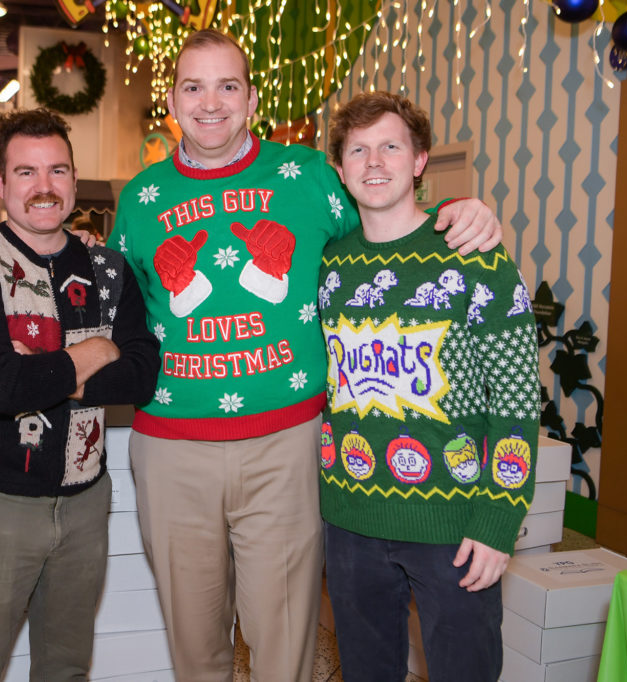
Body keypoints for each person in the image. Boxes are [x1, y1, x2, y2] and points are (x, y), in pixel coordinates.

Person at [108, 28, 505, 681]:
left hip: (287, 445)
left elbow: (393, 221)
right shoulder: (139, 201)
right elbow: (116, 314)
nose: (212, 102)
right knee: (195, 644)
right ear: (172, 102)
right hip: (171, 451)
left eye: (228, 85)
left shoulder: (312, 177)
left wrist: (459, 212)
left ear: (252, 98)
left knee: (284, 641)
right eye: (194, 86)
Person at [0, 107, 158, 681]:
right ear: (2, 184)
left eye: (57, 171)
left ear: (74, 181)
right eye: (26, 173)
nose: (43, 187)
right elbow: (4, 388)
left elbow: (141, 377)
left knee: (66, 669)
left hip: (84, 503)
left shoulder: (109, 270)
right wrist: (94, 352)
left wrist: (47, 372)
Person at [318, 91, 539, 681]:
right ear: (339, 169)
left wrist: (497, 524)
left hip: (454, 526)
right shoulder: (330, 265)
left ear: (419, 161)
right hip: (350, 521)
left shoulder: (476, 256)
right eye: (357, 150)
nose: (374, 163)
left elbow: (516, 403)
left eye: (391, 146)